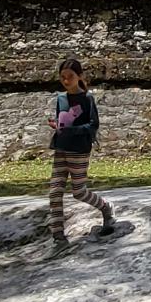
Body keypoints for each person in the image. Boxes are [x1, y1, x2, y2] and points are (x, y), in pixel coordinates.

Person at [46, 57, 113, 256]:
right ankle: (58, 236)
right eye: (63, 78)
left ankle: (105, 208)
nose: (66, 81)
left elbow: (93, 125)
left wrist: (73, 130)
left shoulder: (87, 99)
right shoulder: (61, 99)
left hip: (79, 149)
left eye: (70, 77)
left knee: (78, 192)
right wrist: (58, 128)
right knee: (54, 191)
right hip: (61, 148)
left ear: (79, 76)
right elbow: (61, 120)